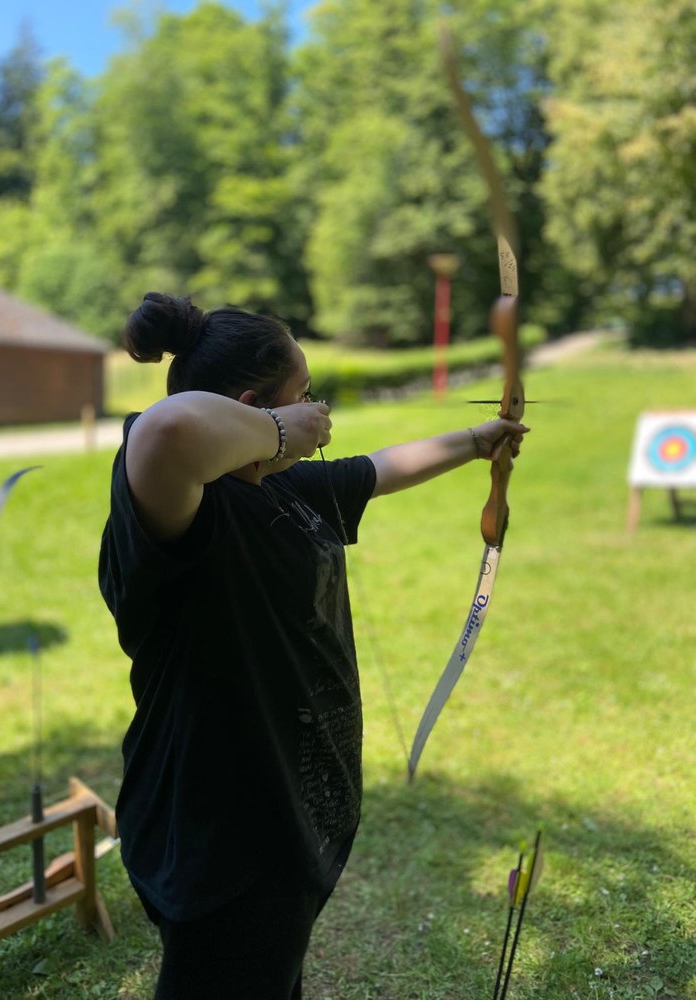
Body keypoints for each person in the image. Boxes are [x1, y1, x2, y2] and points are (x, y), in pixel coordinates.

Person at [98, 292, 528, 1000]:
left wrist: (481, 440)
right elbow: (167, 428)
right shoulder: (177, 498)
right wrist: (279, 429)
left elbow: (379, 469)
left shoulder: (283, 488)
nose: (318, 413)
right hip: (220, 825)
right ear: (251, 409)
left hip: (282, 812)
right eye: (304, 397)